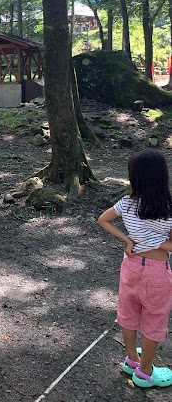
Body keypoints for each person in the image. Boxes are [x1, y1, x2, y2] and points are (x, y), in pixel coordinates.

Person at [98, 149, 172, 388]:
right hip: (157, 271)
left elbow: (103, 219)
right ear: (162, 176)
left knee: (128, 313)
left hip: (130, 266)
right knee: (155, 319)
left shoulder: (126, 203)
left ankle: (132, 360)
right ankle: (145, 372)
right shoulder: (168, 207)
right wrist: (159, 242)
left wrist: (128, 240)